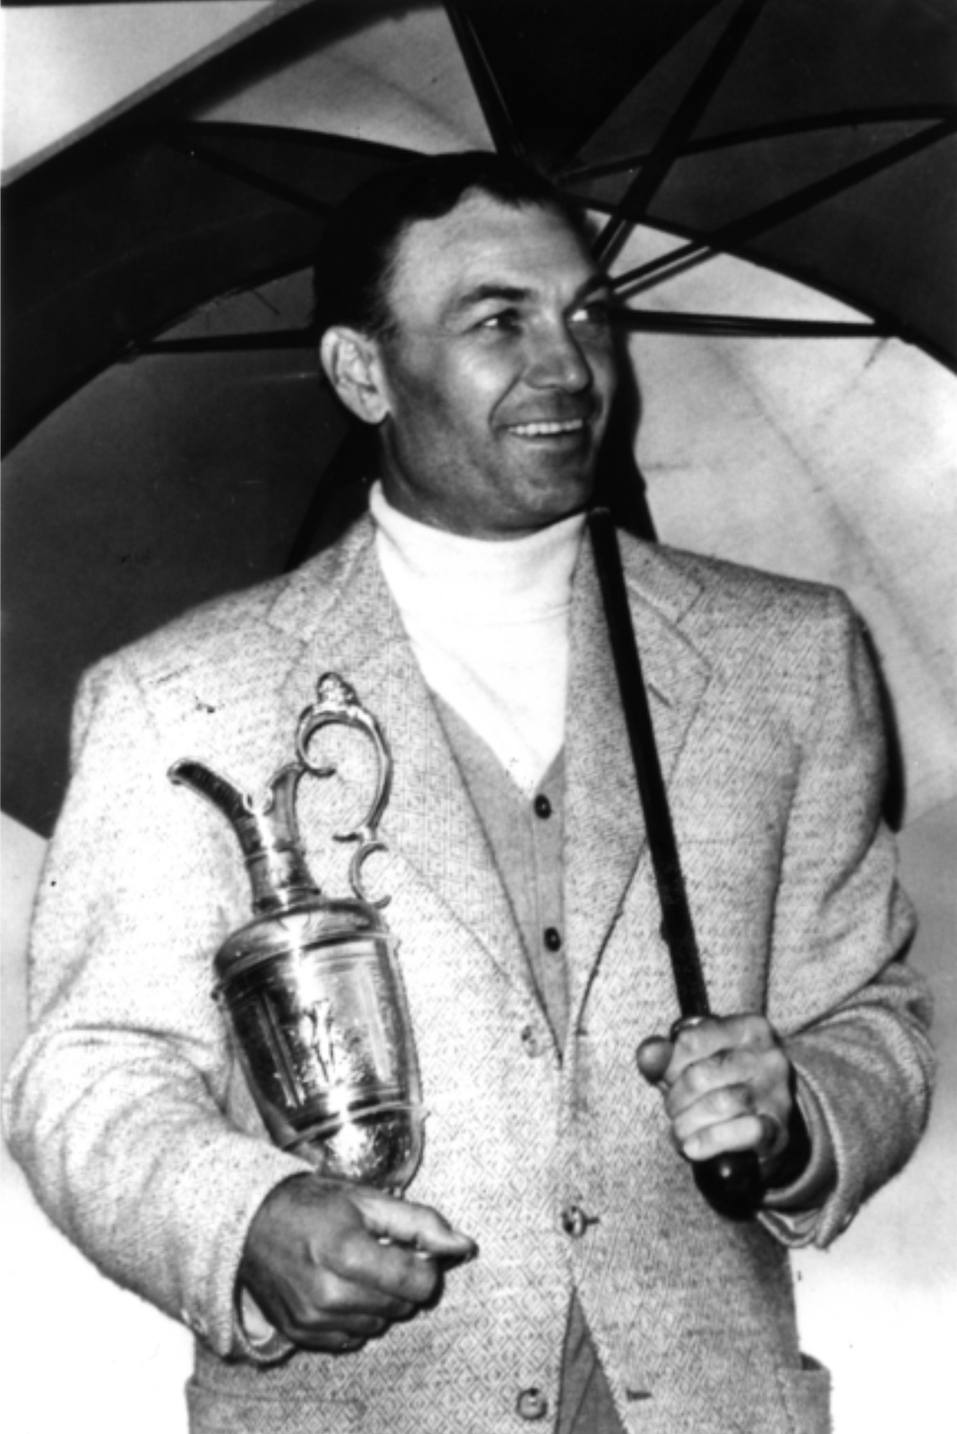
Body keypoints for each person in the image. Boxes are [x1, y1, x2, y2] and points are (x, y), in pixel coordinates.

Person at [4, 152, 933, 1434]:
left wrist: (797, 1117)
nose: (570, 364)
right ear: (361, 372)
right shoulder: (182, 698)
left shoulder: (790, 656)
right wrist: (249, 1221)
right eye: (500, 320)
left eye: (590, 314)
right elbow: (89, 1075)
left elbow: (870, 1014)